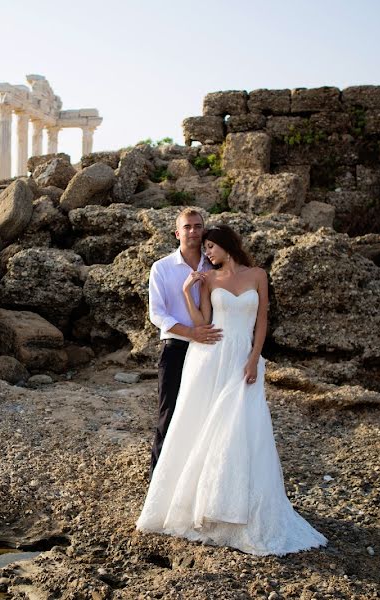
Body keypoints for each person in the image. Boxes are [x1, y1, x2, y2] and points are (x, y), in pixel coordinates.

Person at [137, 224, 327, 556]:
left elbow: (262, 321)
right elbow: (202, 323)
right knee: (203, 425)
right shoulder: (207, 279)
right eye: (205, 247)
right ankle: (200, 504)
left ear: (227, 246)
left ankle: (238, 507)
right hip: (210, 358)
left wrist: (254, 359)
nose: (206, 253)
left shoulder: (258, 275)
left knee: (242, 427)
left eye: (211, 246)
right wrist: (186, 292)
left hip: (243, 357)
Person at [147, 208, 222, 474]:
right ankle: (157, 481)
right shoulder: (162, 268)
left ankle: (195, 481)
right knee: (168, 414)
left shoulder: (214, 265)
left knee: (205, 415)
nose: (193, 231)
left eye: (198, 226)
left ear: (204, 231)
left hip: (209, 350)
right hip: (176, 349)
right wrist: (191, 333)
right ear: (177, 233)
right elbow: (157, 313)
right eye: (187, 227)